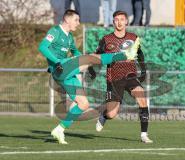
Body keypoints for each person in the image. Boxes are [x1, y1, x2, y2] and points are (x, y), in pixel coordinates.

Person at [38, 9, 140, 144]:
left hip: (67, 73)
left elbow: (74, 51)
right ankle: (125, 55)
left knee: (83, 104)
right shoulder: (55, 31)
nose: (78, 23)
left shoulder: (69, 37)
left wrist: (84, 59)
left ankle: (59, 129)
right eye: (76, 20)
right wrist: (56, 62)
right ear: (67, 20)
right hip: (60, 68)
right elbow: (42, 47)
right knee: (90, 58)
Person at [93, 10, 153, 143]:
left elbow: (140, 53)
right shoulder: (106, 39)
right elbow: (97, 56)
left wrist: (143, 70)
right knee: (112, 114)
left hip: (130, 75)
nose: (119, 22)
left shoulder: (133, 37)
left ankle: (144, 134)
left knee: (142, 98)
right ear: (113, 22)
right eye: (116, 19)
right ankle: (104, 116)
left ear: (126, 21)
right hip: (113, 79)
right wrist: (92, 70)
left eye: (122, 19)